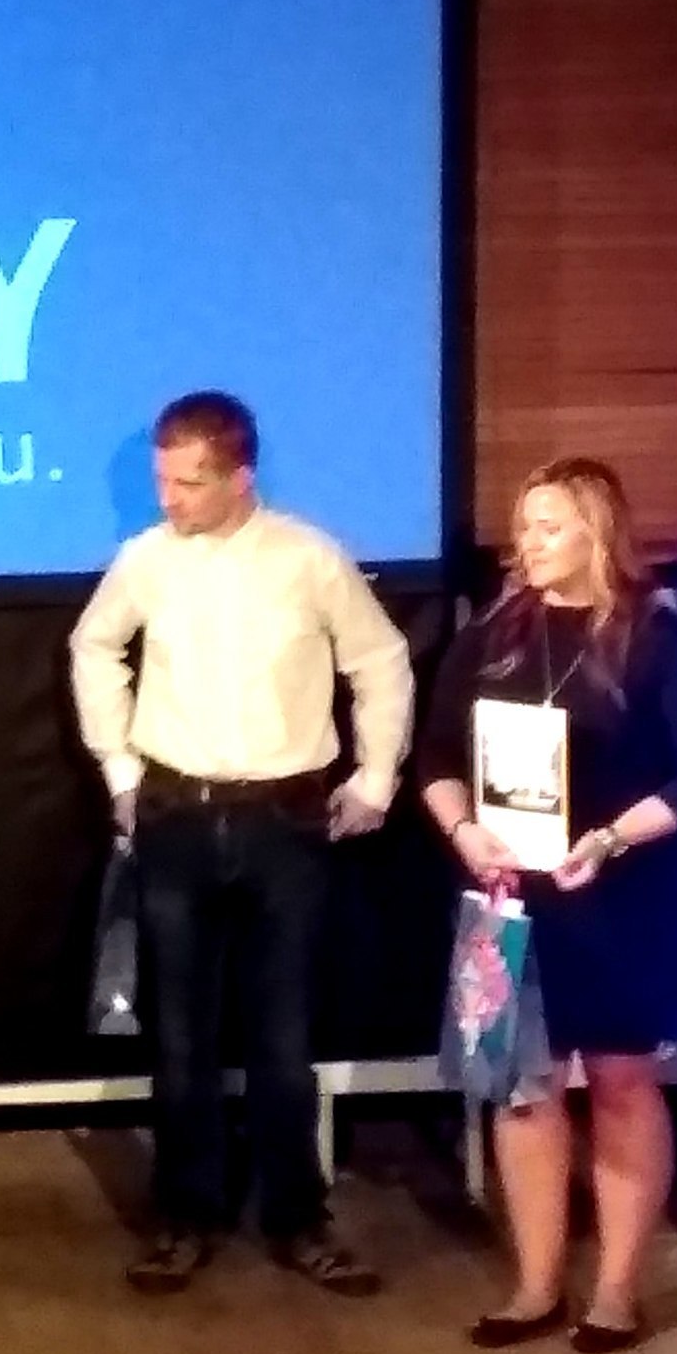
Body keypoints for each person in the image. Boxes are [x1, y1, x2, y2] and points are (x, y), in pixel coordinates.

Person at [69, 389, 414, 1296]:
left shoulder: (308, 558)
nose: (169, 499)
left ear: (240, 477)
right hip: (177, 814)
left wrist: (375, 778)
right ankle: (186, 1216)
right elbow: (93, 647)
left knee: (282, 1036)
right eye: (163, 480)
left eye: (188, 483)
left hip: (284, 822)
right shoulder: (147, 560)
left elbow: (380, 661)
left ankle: (297, 1219)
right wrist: (119, 770)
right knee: (180, 1038)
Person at [418, 460, 677, 1354]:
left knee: (621, 1082)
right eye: (524, 526)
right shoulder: (491, 635)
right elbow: (436, 759)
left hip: (619, 895)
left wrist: (611, 839)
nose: (529, 542)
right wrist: (466, 832)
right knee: (522, 1087)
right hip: (510, 896)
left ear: (597, 531)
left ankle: (616, 1291)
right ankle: (535, 1285)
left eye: (549, 526)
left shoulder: (657, 639)